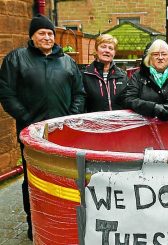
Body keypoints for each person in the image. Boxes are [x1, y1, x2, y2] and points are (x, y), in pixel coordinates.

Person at [0, 14, 85, 241]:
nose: (47, 37)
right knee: (33, 179)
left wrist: (69, 119)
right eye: (42, 33)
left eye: (50, 33)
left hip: (63, 134)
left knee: (66, 178)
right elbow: (7, 94)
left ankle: (67, 223)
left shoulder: (67, 62)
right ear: (32, 36)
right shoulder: (16, 59)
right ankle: (34, 223)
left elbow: (79, 93)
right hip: (32, 133)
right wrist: (27, 118)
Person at [124, 39, 168, 121]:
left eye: (164, 54)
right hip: (145, 129)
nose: (160, 57)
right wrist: (153, 108)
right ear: (149, 58)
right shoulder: (138, 76)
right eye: (156, 54)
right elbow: (129, 99)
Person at [83, 34, 128, 112]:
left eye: (111, 48)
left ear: (114, 53)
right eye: (103, 47)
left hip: (118, 122)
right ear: (96, 50)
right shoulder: (85, 75)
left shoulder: (122, 76)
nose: (107, 50)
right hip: (93, 122)